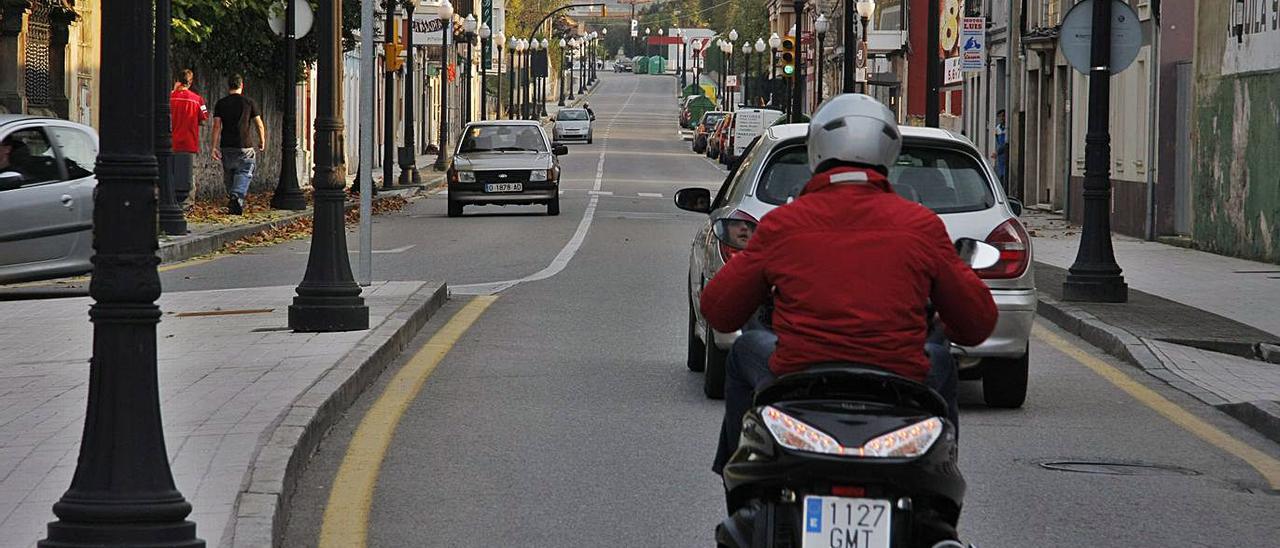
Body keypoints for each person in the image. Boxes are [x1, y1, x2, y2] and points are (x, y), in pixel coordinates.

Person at [700, 94, 998, 477]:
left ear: (817, 149)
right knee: (941, 361)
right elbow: (976, 324)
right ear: (888, 150)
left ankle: (737, 472)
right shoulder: (921, 225)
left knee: (743, 350)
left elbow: (719, 311)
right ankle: (940, 470)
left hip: (799, 378)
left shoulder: (784, 224)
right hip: (898, 379)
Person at [211, 74, 266, 215]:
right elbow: (259, 124)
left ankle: (232, 197)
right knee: (245, 171)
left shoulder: (221, 103)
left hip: (226, 145)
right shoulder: (249, 102)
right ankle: (236, 195)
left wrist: (213, 147)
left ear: (228, 86)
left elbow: (217, 126)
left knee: (230, 173)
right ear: (242, 85)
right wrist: (262, 140)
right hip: (244, 144)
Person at [170, 68, 209, 206]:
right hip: (188, 142)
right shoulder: (198, 100)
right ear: (191, 82)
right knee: (188, 174)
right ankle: (187, 203)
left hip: (171, 142)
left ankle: (171, 201)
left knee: (171, 172)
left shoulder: (170, 97)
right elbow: (204, 118)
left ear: (177, 80)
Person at [993, 109, 1009, 192]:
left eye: (1003, 116)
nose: (1002, 118)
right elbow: (998, 141)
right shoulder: (998, 128)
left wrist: (998, 152)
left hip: (1006, 153)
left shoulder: (1008, 128)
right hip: (1000, 156)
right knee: (1001, 174)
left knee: (1006, 173)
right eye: (1000, 116)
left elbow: (1006, 143)